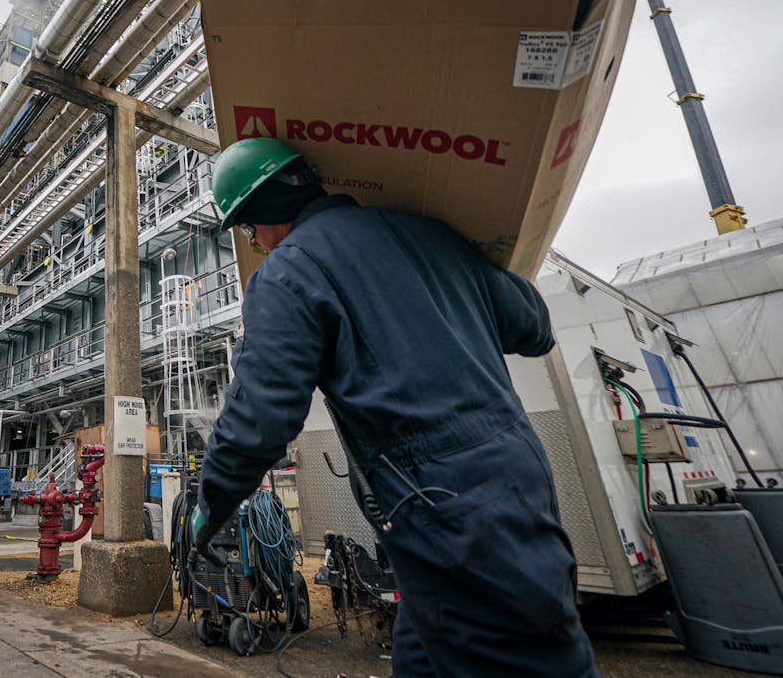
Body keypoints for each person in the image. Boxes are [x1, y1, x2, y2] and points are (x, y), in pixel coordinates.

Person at [190, 137, 598, 678]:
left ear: (261, 215)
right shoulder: (430, 233)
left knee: (527, 661)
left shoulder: (290, 271)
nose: (257, 244)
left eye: (248, 230)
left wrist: (210, 503)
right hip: (516, 473)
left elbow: (259, 417)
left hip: (442, 503)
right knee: (425, 655)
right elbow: (535, 328)